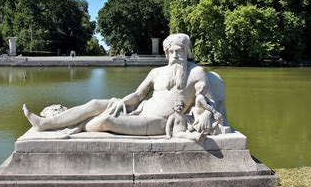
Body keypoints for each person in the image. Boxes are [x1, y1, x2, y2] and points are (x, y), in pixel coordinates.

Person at [23, 33, 217, 136]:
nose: (175, 56)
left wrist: (207, 114)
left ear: (186, 52)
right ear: (166, 54)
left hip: (159, 122)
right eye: (172, 52)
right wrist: (121, 102)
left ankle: (75, 126)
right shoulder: (156, 72)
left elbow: (208, 102)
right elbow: (138, 95)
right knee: (94, 104)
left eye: (180, 52)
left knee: (104, 121)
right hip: (140, 109)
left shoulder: (196, 73)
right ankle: (44, 123)